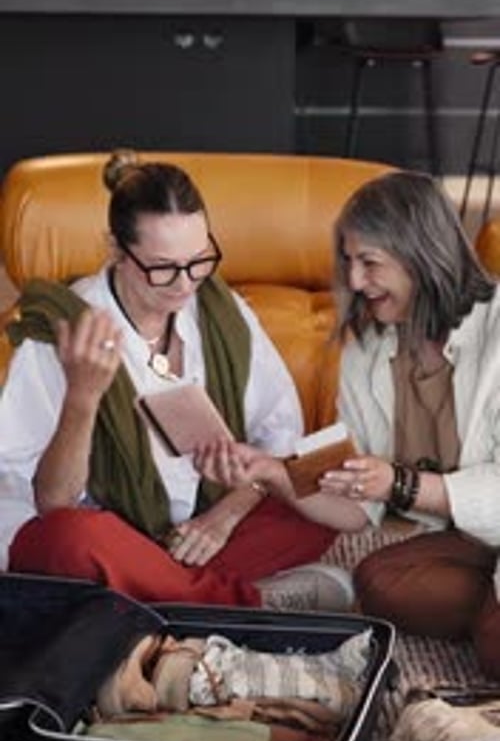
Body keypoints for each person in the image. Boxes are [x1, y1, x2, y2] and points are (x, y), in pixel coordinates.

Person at [0, 153, 354, 611]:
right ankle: (247, 602)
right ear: (116, 251)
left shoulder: (222, 312)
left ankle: (157, 596)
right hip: (110, 534)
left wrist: (224, 516)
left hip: (205, 530)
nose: (185, 285)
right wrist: (83, 398)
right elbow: (52, 501)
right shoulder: (65, 332)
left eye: (200, 260)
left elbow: (281, 443)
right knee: (68, 540)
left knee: (327, 477)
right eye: (163, 268)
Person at [195, 170, 500, 679]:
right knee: (376, 581)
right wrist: (272, 472)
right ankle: (489, 611)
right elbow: (358, 509)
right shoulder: (370, 352)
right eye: (349, 262)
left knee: (491, 648)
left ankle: (489, 623)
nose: (355, 281)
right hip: (476, 539)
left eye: (370, 262)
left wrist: (399, 484)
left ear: (420, 255)